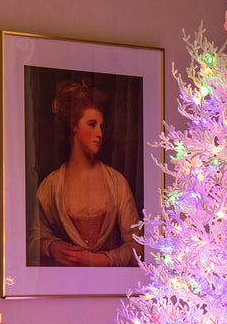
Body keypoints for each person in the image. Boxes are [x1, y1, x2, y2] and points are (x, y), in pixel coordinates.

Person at [28, 79, 143, 267]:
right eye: (92, 124)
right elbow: (33, 241)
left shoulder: (117, 182)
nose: (100, 133)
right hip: (64, 289)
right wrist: (52, 247)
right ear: (74, 126)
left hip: (111, 290)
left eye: (101, 126)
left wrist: (100, 260)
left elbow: (139, 246)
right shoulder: (50, 186)